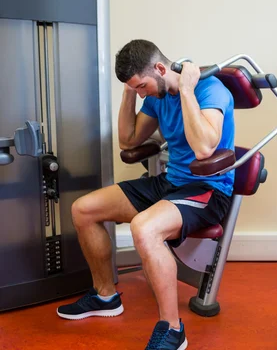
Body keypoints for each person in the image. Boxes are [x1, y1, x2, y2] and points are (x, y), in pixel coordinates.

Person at [56, 39, 235, 350]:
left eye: (142, 86)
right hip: (169, 183)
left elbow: (205, 147)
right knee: (83, 209)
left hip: (207, 189)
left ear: (161, 69)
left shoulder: (211, 90)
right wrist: (128, 90)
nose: (142, 94)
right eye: (135, 89)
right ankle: (105, 295)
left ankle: (172, 329)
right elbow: (127, 140)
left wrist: (188, 92)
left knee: (144, 227)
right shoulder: (156, 95)